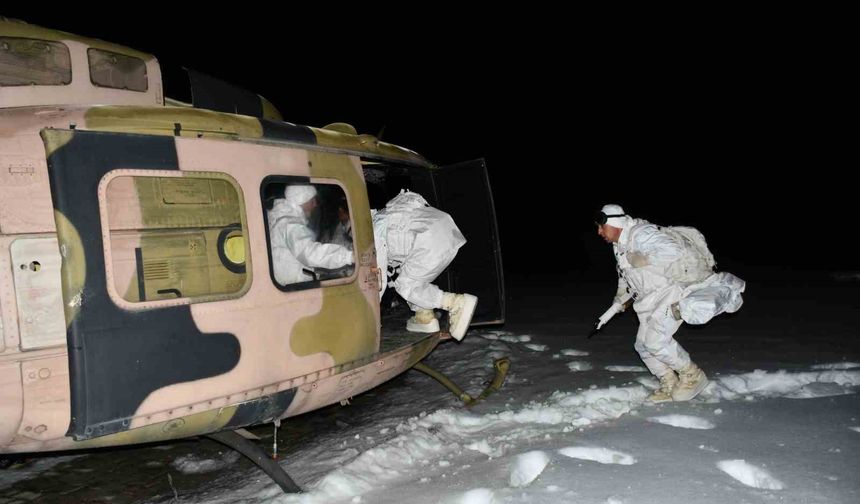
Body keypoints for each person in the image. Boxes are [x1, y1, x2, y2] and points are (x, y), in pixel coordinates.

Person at [595, 204, 745, 402]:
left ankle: (692, 375)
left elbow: (673, 251)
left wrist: (643, 259)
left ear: (614, 223)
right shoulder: (619, 247)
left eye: (601, 227)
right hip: (648, 299)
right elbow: (626, 276)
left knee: (656, 341)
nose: (599, 232)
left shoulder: (641, 233)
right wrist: (619, 299)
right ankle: (669, 382)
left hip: (671, 292)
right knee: (642, 346)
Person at [372, 189, 477, 340]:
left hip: (427, 240)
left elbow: (378, 276)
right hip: (445, 232)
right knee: (411, 278)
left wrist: (372, 311)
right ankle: (424, 316)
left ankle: (455, 302)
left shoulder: (375, 229)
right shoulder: (387, 215)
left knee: (405, 285)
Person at [267, 184, 354, 285]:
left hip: (287, 285)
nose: (315, 205)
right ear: (302, 200)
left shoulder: (281, 220)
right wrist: (349, 256)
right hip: (294, 287)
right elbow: (310, 253)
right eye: (312, 200)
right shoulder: (291, 225)